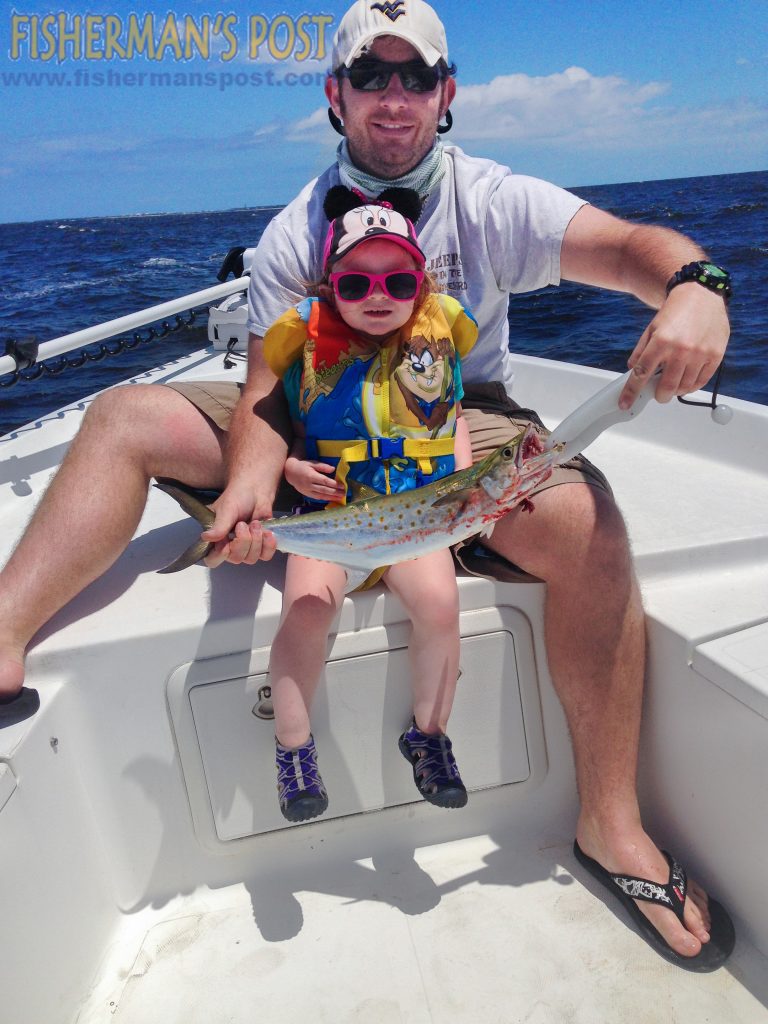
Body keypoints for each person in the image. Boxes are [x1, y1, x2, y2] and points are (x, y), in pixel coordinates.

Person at [0, 0, 734, 970]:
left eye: (416, 75)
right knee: (125, 415)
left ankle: (610, 822)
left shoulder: (493, 200)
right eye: (372, 76)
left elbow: (631, 247)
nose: (396, 97)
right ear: (335, 96)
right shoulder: (288, 237)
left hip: (458, 420)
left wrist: (696, 287)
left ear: (448, 93)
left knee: (590, 525)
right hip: (317, 421)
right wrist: (252, 494)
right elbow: (264, 394)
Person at [264, 184, 477, 821]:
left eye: (398, 283)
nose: (378, 297)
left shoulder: (439, 335)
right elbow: (280, 427)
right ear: (331, 288)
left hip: (413, 518)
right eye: (356, 285)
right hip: (331, 520)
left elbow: (454, 417)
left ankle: (428, 735)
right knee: (306, 607)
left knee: (441, 604)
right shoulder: (303, 341)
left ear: (420, 284)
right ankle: (293, 749)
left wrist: (461, 486)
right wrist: (287, 469)